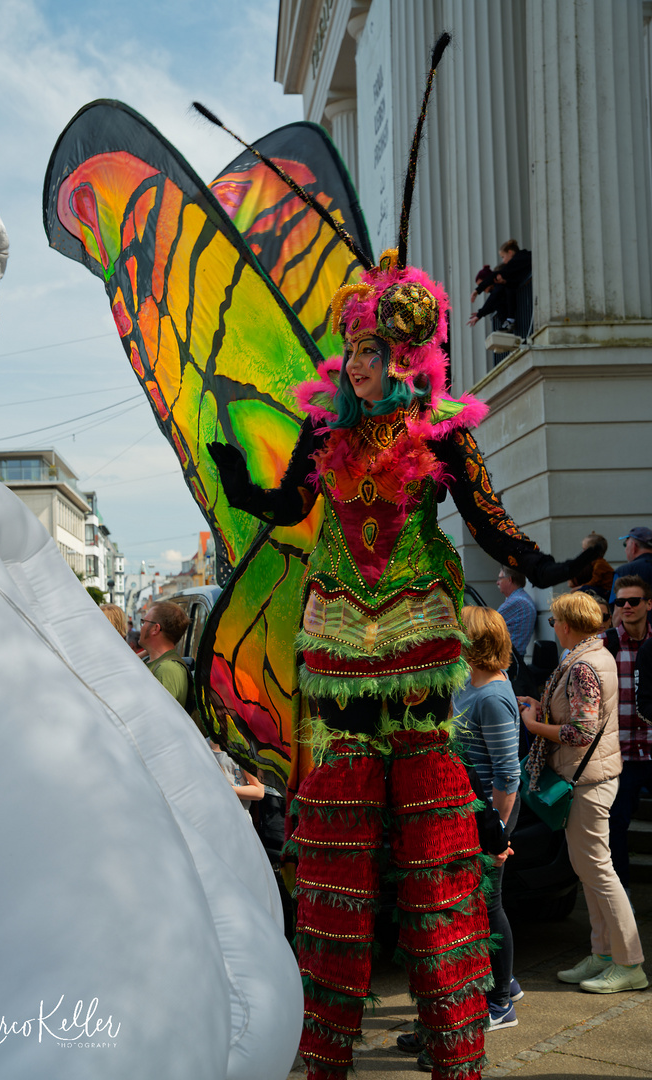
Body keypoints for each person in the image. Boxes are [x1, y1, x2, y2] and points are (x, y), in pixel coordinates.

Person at [210, 255, 594, 1079]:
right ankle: (324, 1049)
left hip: (418, 641)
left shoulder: (443, 431)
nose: (356, 363)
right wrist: (245, 483)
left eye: (371, 349)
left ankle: (457, 1043)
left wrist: (548, 563)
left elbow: (488, 520)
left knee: (435, 846)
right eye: (350, 349)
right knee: (336, 852)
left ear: (407, 357)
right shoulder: (329, 429)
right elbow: (292, 506)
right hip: (341, 642)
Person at [518, 592, 647, 994]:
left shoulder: (583, 665)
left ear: (568, 624)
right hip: (591, 776)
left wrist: (532, 724)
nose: (552, 625)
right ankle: (603, 954)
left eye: (555, 620)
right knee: (590, 871)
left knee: (599, 873)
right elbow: (579, 716)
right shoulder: (594, 655)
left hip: (588, 779)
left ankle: (630, 963)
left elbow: (581, 732)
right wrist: (541, 706)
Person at [455, 607, 520, 1030]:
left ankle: (500, 1005)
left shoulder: (492, 697)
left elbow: (507, 773)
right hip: (476, 818)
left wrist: (495, 832)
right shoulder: (471, 684)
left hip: (489, 821)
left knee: (489, 906)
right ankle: (506, 984)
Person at [604, 576, 652, 889]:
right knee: (615, 828)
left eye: (633, 601)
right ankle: (622, 898)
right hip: (618, 756)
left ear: (649, 604)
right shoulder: (606, 643)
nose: (626, 607)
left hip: (651, 750)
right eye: (620, 602)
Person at [140, 601, 192, 708]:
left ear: (155, 629)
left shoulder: (168, 669)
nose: (141, 627)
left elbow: (159, 718)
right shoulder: (149, 661)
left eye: (143, 622)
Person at [208, 738, 265, 811]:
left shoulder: (244, 748)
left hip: (234, 816)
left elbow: (259, 791)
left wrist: (222, 789)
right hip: (209, 814)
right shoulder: (201, 743)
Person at [497, 565, 537, 654]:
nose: (497, 583)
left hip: (508, 660)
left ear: (509, 580)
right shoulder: (521, 598)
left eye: (500, 578)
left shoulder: (517, 602)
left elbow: (485, 627)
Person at [610, 527, 652, 602]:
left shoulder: (623, 571)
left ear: (633, 546)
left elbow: (615, 604)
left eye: (625, 545)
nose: (625, 550)